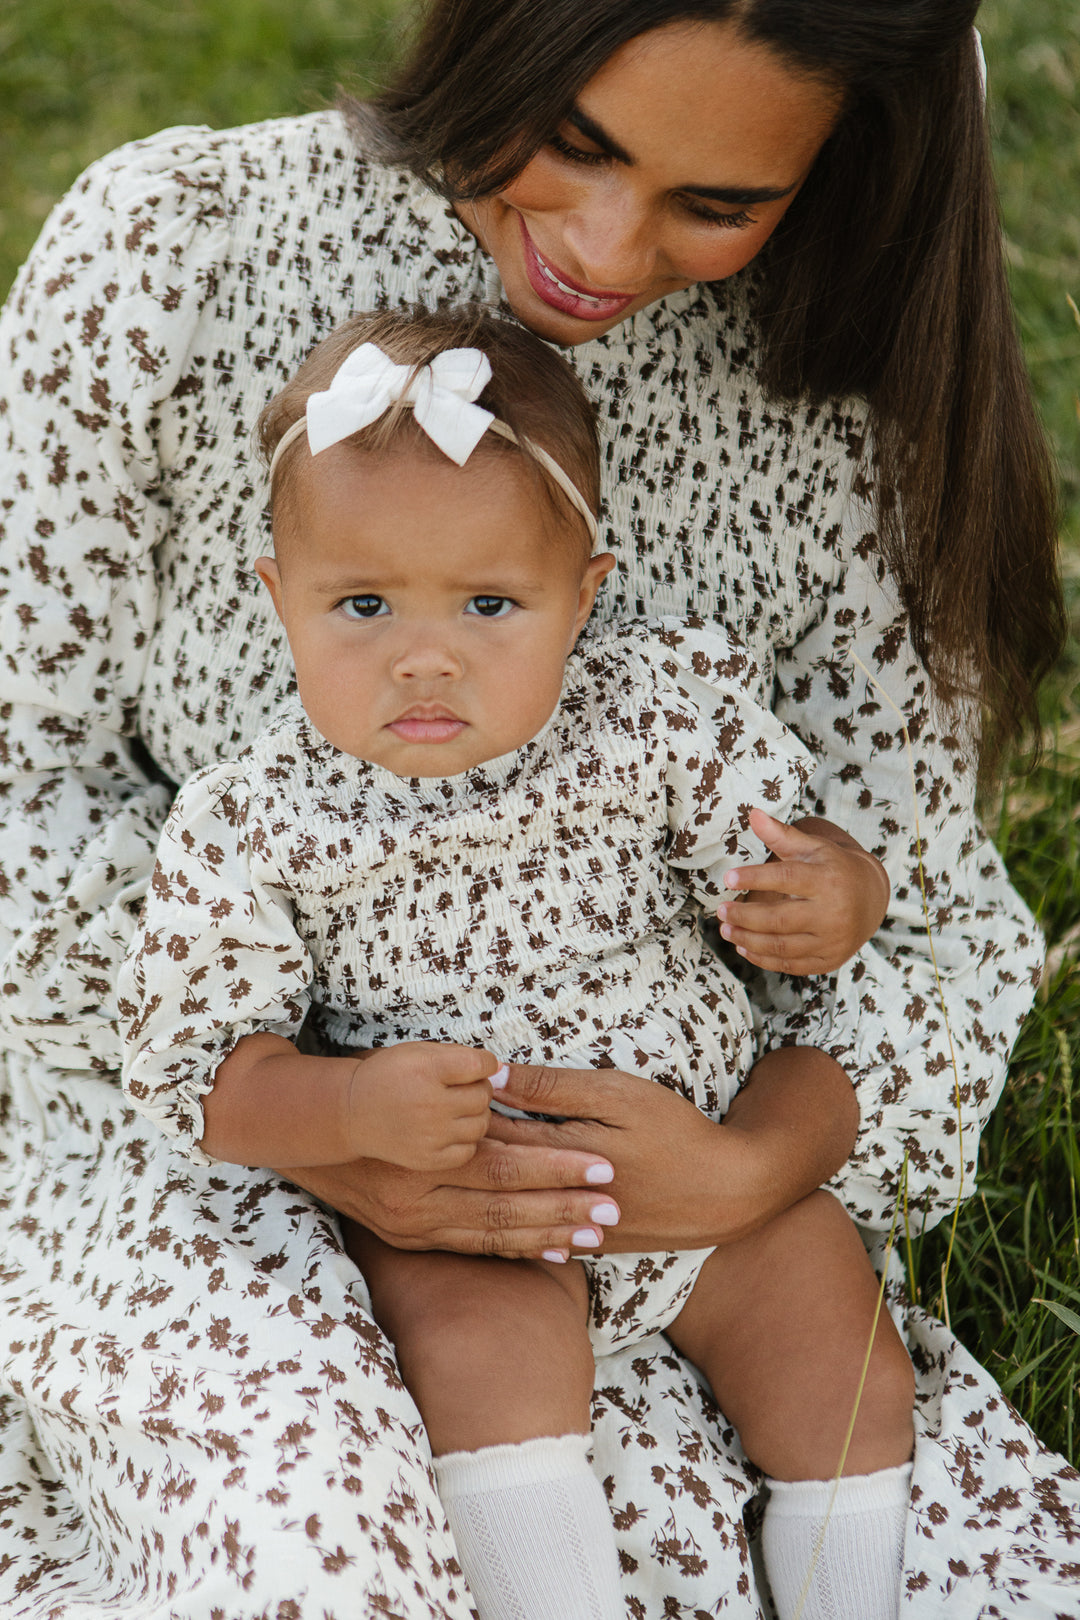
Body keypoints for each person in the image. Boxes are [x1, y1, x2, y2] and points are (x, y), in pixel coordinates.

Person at [0, 2, 1075, 1616]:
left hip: (682, 1195)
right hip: (194, 1151)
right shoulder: (176, 254)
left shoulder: (828, 401)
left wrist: (750, 1167)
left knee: (793, 1537)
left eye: (721, 203)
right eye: (574, 141)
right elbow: (21, 795)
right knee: (320, 1546)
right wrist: (326, 1122)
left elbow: (922, 922)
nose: (599, 245)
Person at [119, 303, 912, 1620]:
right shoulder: (258, 818)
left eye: (490, 603)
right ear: (279, 600)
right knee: (482, 1361)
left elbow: (792, 855)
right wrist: (349, 1107)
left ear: (583, 596)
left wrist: (837, 890)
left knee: (843, 1357)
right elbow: (198, 1075)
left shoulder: (652, 719)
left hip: (709, 1166)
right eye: (361, 604)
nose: (424, 655)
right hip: (468, 1206)